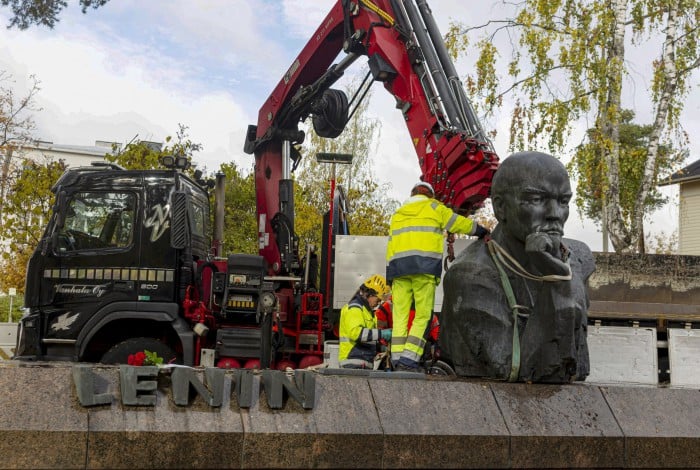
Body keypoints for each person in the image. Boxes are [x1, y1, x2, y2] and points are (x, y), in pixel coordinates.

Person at [439, 151, 595, 383]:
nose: (555, 214)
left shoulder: (578, 258)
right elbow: (519, 373)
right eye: (536, 200)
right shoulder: (471, 277)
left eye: (563, 201)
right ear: (500, 207)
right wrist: (556, 280)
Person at [385, 181, 489, 371]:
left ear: (413, 193)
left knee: (399, 315)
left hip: (398, 271)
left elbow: (391, 245)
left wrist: (389, 274)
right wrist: (481, 231)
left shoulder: (397, 214)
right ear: (429, 195)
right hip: (423, 269)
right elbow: (459, 223)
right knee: (423, 316)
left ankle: (396, 359)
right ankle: (408, 360)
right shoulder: (434, 208)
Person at [338, 274, 392, 369]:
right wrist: (381, 334)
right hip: (353, 362)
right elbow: (356, 333)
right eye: (378, 299)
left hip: (361, 363)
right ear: (370, 294)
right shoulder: (355, 308)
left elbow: (368, 337)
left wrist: (380, 346)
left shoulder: (367, 312)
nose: (378, 303)